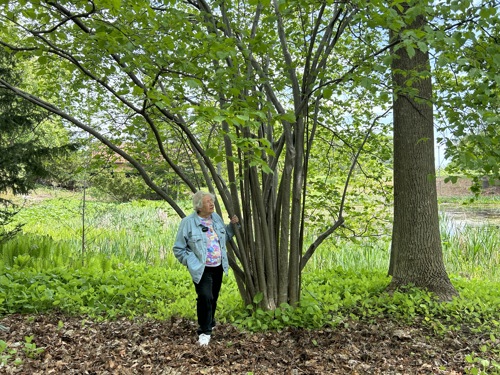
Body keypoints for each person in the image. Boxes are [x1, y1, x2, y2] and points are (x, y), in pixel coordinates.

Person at [173, 190, 239, 346]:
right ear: (198, 205)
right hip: (201, 268)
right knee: (205, 297)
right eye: (208, 201)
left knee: (213, 297)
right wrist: (191, 262)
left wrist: (233, 226)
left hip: (217, 265)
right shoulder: (188, 222)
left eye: (212, 201)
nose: (212, 204)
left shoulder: (215, 218)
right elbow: (178, 248)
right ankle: (204, 331)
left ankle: (209, 321)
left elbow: (225, 237)